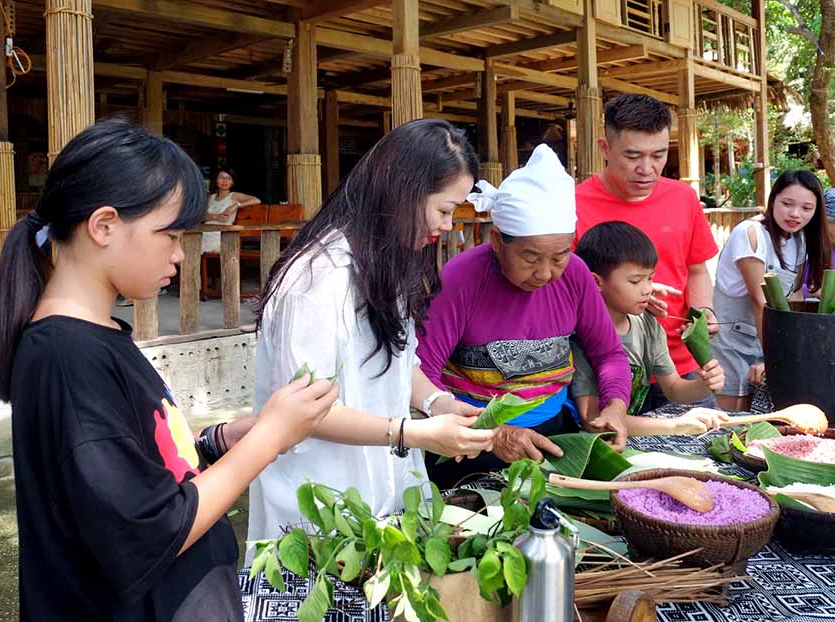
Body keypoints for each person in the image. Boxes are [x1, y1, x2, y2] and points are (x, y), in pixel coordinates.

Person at [0, 118, 338, 622]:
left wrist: (223, 439)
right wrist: (271, 439)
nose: (181, 253)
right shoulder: (66, 356)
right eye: (170, 235)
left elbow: (140, 468)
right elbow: (150, 529)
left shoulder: (95, 336)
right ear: (104, 225)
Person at [248, 119, 495, 540]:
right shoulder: (320, 277)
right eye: (444, 210)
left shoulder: (387, 262)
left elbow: (398, 358)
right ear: (403, 192)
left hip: (380, 485)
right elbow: (306, 412)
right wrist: (412, 433)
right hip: (318, 500)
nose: (448, 226)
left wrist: (437, 404)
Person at [418, 144, 632, 490]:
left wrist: (615, 406)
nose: (546, 273)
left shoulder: (575, 275)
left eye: (559, 256)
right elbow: (423, 374)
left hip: (554, 434)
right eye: (530, 257)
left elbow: (608, 354)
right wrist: (490, 435)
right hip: (469, 445)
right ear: (498, 240)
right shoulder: (462, 278)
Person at [575, 95, 720, 411]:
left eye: (659, 155)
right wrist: (624, 292)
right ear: (605, 149)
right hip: (610, 371)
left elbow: (697, 270)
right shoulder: (574, 205)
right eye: (632, 155)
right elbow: (567, 290)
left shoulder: (683, 197)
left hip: (682, 365)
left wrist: (705, 310)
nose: (647, 169)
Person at [572, 221, 727, 435]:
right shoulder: (579, 337)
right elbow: (593, 420)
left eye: (650, 278)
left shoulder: (647, 325)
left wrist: (703, 384)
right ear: (596, 282)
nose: (647, 289)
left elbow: (673, 389)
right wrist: (673, 425)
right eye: (635, 281)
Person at [710, 169, 830, 411]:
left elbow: (790, 299)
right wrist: (773, 359)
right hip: (732, 341)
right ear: (772, 199)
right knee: (732, 416)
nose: (795, 214)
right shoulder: (750, 233)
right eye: (787, 203)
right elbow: (760, 302)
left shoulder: (800, 239)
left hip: (767, 337)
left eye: (807, 208)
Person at [202, 168, 261, 253]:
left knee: (195, 248)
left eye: (228, 178)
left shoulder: (234, 196)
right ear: (216, 180)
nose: (225, 181)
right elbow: (202, 217)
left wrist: (236, 205)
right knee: (189, 242)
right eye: (221, 177)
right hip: (206, 231)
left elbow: (257, 200)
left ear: (232, 182)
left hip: (221, 234)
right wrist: (216, 216)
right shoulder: (211, 197)